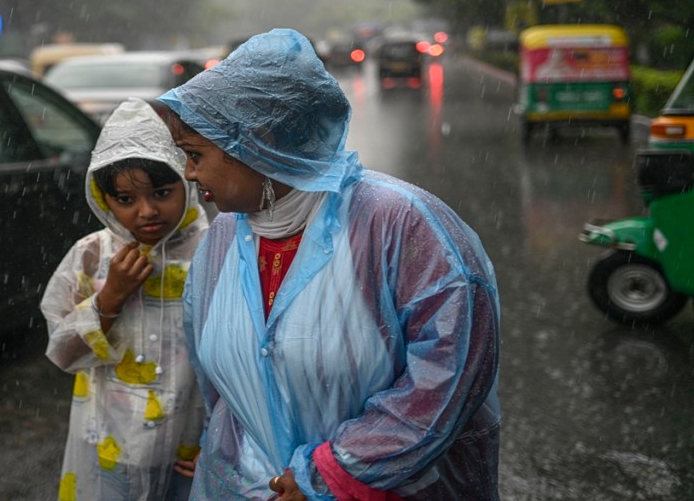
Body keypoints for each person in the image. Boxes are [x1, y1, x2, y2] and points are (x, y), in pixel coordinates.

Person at [158, 29, 501, 500]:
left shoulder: (401, 224)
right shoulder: (220, 239)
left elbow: (452, 371)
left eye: (196, 155)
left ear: (256, 142)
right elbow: (221, 390)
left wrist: (335, 473)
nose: (189, 174)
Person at [41, 97, 210, 501]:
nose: (147, 211)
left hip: (191, 443)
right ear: (104, 201)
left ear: (186, 182)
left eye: (162, 192)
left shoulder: (214, 251)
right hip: (108, 444)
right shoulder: (92, 256)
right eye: (126, 200)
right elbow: (63, 352)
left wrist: (222, 440)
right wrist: (110, 298)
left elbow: (239, 359)